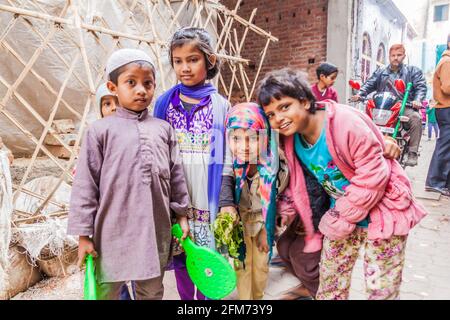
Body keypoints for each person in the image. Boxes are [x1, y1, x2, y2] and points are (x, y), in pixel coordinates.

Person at [257, 67, 427, 300]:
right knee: (330, 282)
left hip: (383, 213)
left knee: (380, 289)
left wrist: (340, 218)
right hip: (343, 214)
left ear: (305, 101)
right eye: (271, 114)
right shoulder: (292, 138)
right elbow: (298, 183)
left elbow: (373, 177)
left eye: (284, 107)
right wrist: (284, 214)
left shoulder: (344, 123)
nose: (279, 119)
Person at [67, 48, 190, 300]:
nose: (141, 90)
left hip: (154, 229)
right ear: (113, 87)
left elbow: (176, 175)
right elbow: (85, 186)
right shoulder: (99, 131)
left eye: (148, 83)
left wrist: (182, 215)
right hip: (111, 233)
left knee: (152, 291)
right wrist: (83, 236)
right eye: (131, 83)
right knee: (107, 291)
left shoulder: (163, 129)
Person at [153, 27, 230, 300]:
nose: (184, 67)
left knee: (208, 256)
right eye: (178, 61)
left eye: (193, 59)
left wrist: (225, 201)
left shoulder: (220, 106)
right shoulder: (164, 103)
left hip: (206, 196)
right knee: (183, 255)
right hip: (176, 195)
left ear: (210, 60)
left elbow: (226, 156)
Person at [218, 103, 288, 300]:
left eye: (253, 138)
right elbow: (225, 196)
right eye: (236, 138)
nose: (244, 146)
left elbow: (277, 202)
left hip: (262, 225)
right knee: (242, 267)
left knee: (261, 268)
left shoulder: (277, 167)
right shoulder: (230, 167)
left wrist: (268, 231)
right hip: (240, 224)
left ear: (265, 138)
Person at [351, 44, 427, 167]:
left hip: (403, 106)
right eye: (393, 55)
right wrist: (360, 94)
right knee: (361, 120)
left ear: (404, 56)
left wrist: (417, 100)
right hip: (382, 107)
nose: (396, 58)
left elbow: (420, 87)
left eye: (399, 55)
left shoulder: (413, 71)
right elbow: (369, 84)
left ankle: (412, 153)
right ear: (389, 57)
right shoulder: (381, 72)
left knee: (415, 118)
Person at [426, 34, 450, 196]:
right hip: (446, 108)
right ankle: (435, 182)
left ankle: (443, 183)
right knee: (445, 145)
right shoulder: (447, 62)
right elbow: (447, 87)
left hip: (446, 108)